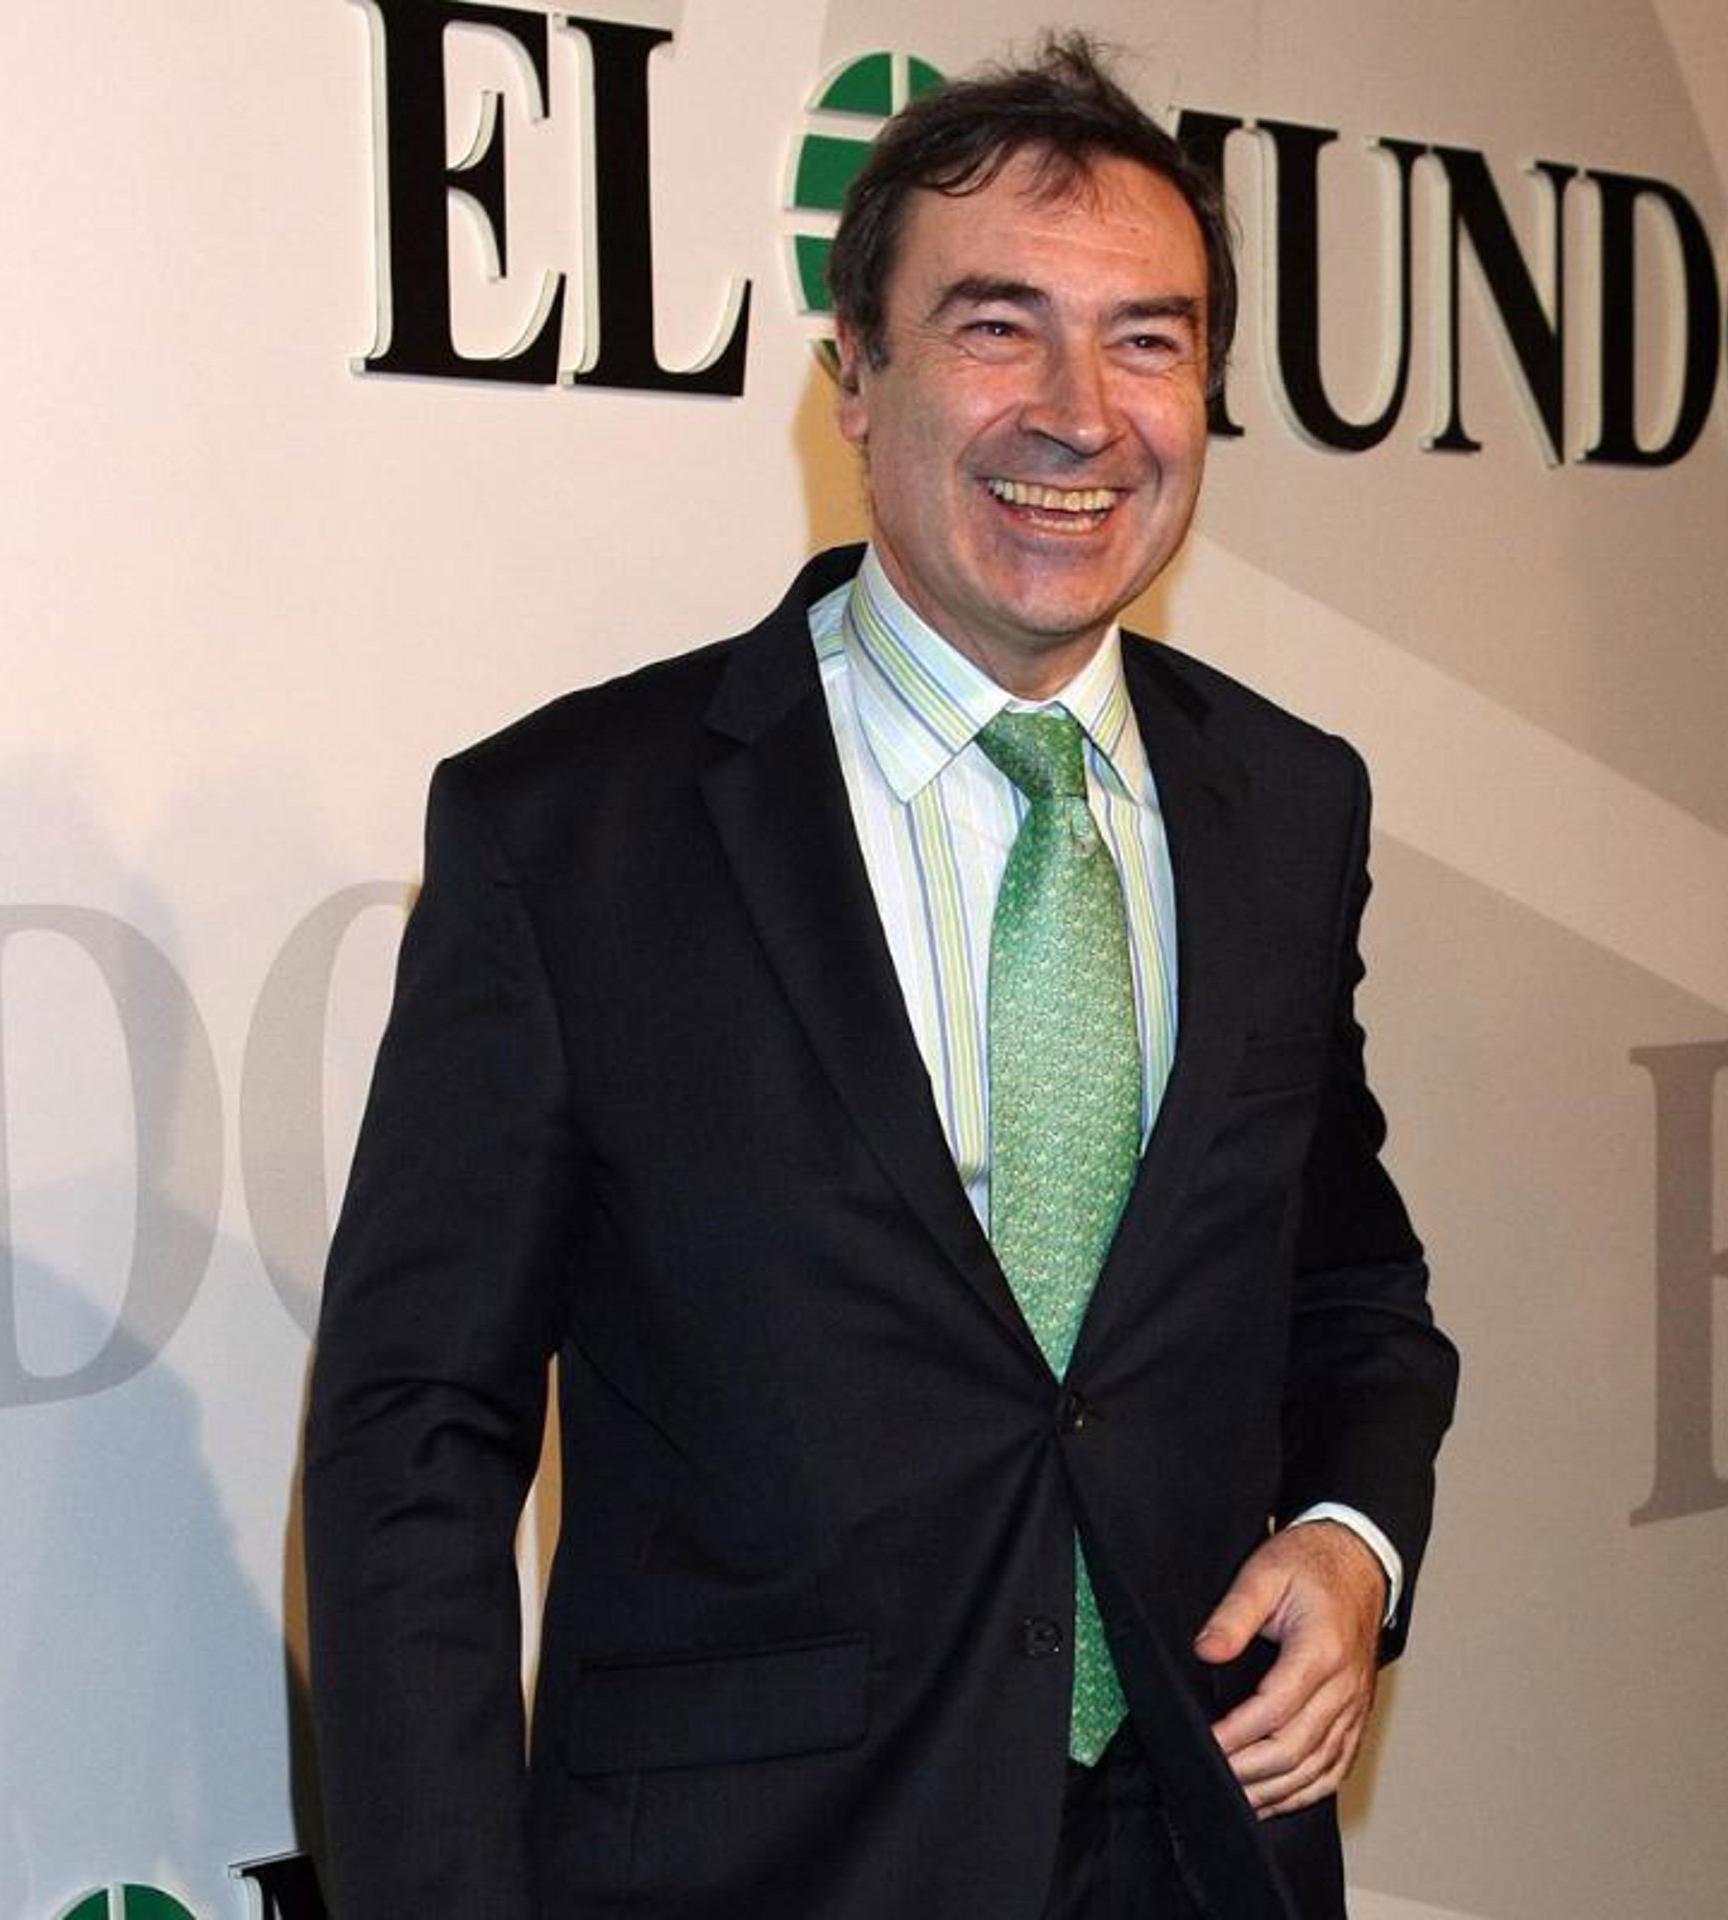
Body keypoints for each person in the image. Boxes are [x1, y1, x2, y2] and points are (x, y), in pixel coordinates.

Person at [304, 34, 1457, 1920]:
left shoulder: (1287, 801)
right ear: (855, 375)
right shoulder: (572, 831)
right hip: (761, 1874)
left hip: (1199, 1852)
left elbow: (1348, 1285)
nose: (1080, 416)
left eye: (1148, 341)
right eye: (999, 328)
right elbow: (413, 1446)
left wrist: (1349, 1538)